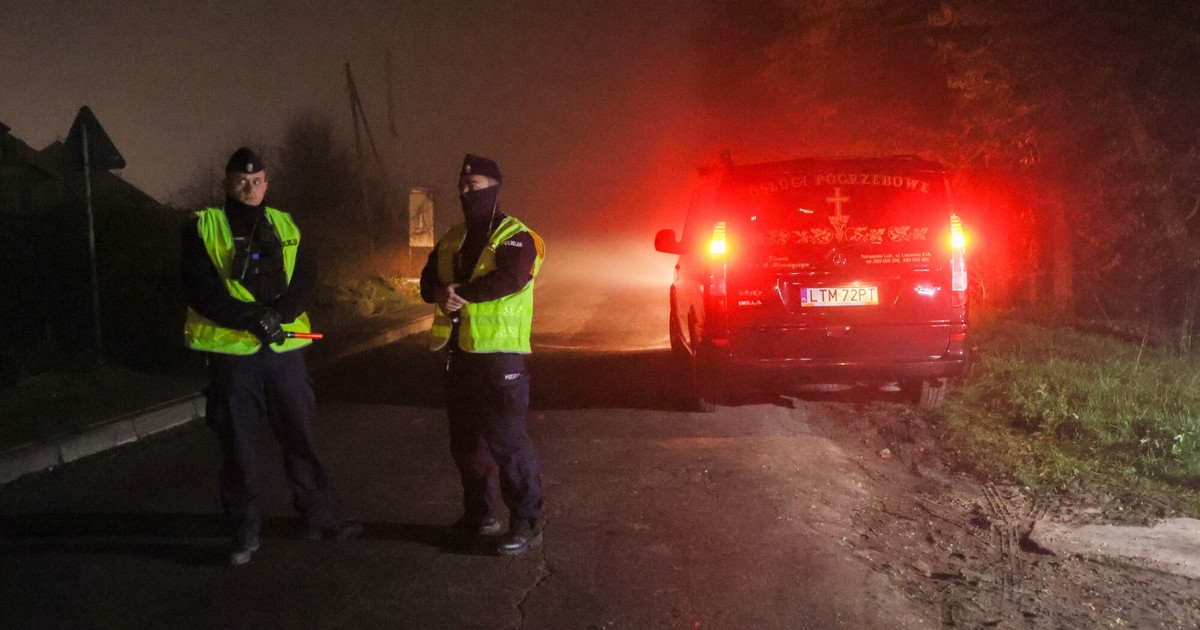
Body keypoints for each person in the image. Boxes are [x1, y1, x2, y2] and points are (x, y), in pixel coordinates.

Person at [181, 147, 359, 566]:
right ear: (227, 183)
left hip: (283, 352)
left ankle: (319, 517)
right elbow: (198, 287)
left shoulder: (285, 223)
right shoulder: (201, 226)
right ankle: (244, 533)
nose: (250, 187)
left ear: (267, 183)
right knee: (238, 446)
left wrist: (279, 315)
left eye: (257, 180)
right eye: (242, 181)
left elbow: (306, 277)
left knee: (300, 438)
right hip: (232, 354)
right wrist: (249, 319)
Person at [420, 154, 546, 555]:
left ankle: (526, 522)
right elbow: (426, 281)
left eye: (473, 186)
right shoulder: (453, 238)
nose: (465, 192)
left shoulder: (517, 236)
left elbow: (511, 278)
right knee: (465, 443)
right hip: (459, 355)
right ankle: (479, 515)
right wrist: (439, 293)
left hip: (499, 357)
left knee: (507, 442)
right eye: (462, 186)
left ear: (494, 187)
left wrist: (461, 294)